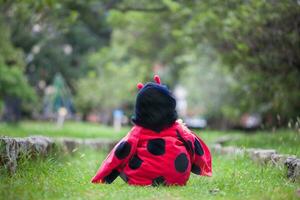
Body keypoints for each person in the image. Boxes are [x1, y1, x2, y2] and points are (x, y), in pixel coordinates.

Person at [91, 75, 212, 186]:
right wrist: (203, 166)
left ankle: (143, 176)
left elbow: (119, 153)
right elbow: (192, 142)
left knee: (126, 156)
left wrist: (102, 176)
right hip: (177, 179)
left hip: (141, 180)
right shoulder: (178, 128)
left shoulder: (138, 131)